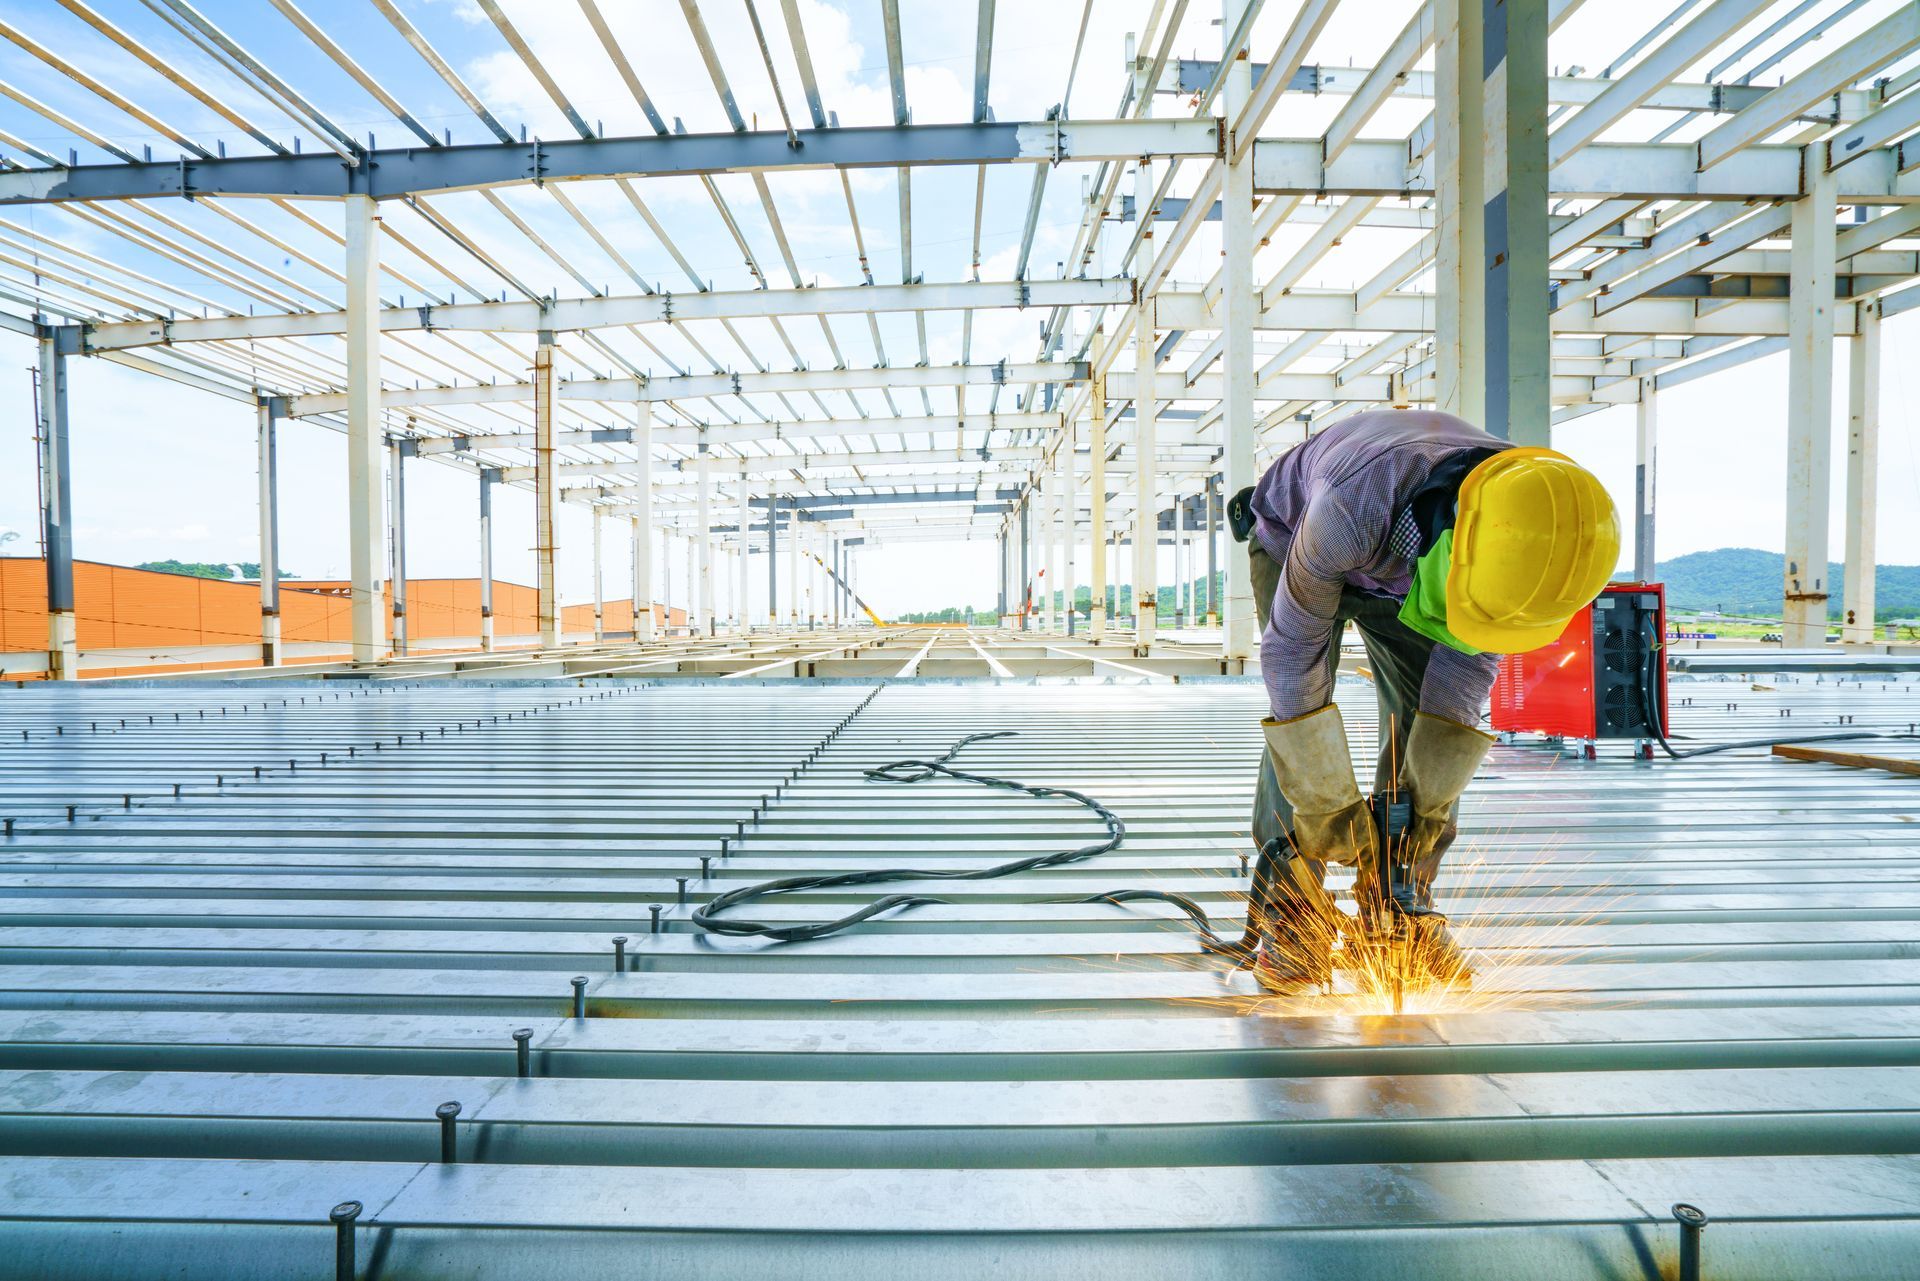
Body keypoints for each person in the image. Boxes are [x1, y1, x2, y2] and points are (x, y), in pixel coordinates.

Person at [1231, 407, 1619, 993]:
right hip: (1296, 545)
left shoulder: (1529, 552)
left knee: (1426, 732)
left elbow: (1455, 695)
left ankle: (1398, 904)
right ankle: (1295, 910)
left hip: (1422, 566)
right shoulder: (1350, 506)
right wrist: (1328, 805)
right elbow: (1293, 663)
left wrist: (1424, 815)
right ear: (1450, 550)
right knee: (1300, 734)